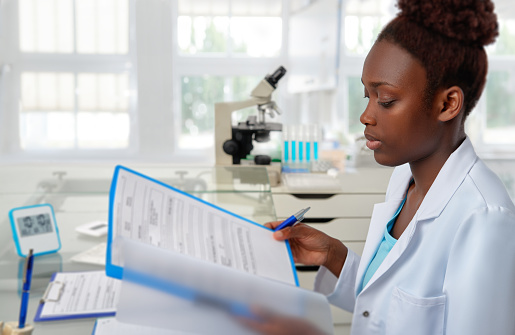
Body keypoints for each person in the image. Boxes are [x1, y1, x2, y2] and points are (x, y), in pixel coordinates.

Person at [244, 0, 515, 334]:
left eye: (385, 101)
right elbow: (387, 306)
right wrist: (333, 255)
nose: (366, 116)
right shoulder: (405, 180)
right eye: (366, 96)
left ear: (447, 104)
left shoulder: (485, 218)